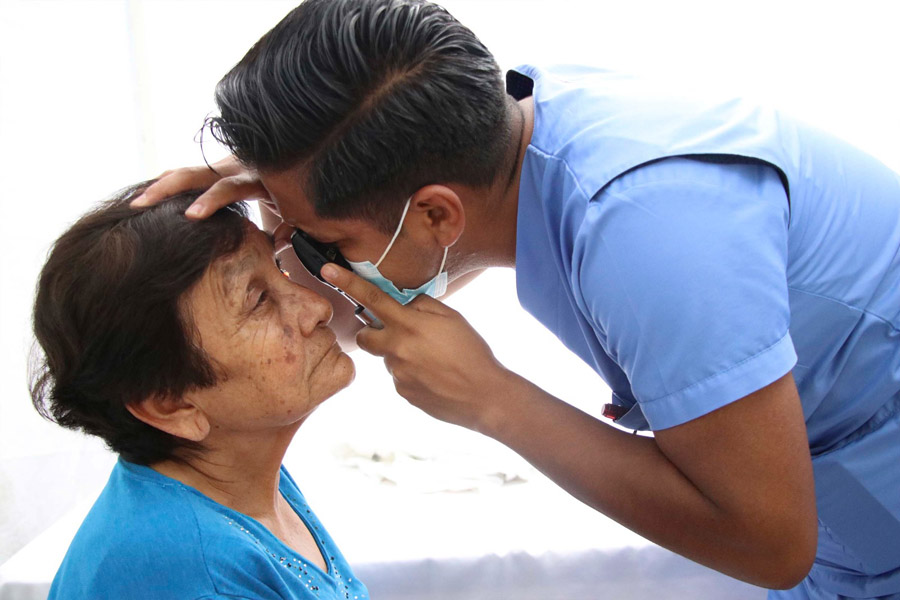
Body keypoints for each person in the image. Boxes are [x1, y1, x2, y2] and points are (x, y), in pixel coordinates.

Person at [132, 0, 900, 597]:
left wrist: (495, 400)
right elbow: (352, 293)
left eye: (317, 241)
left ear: (434, 213)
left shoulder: (649, 233)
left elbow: (771, 542)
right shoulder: (517, 118)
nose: (310, 275)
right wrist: (290, 191)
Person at [30, 183, 370, 600]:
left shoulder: (239, 476)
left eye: (280, 269)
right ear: (170, 403)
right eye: (259, 299)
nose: (317, 308)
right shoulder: (197, 579)